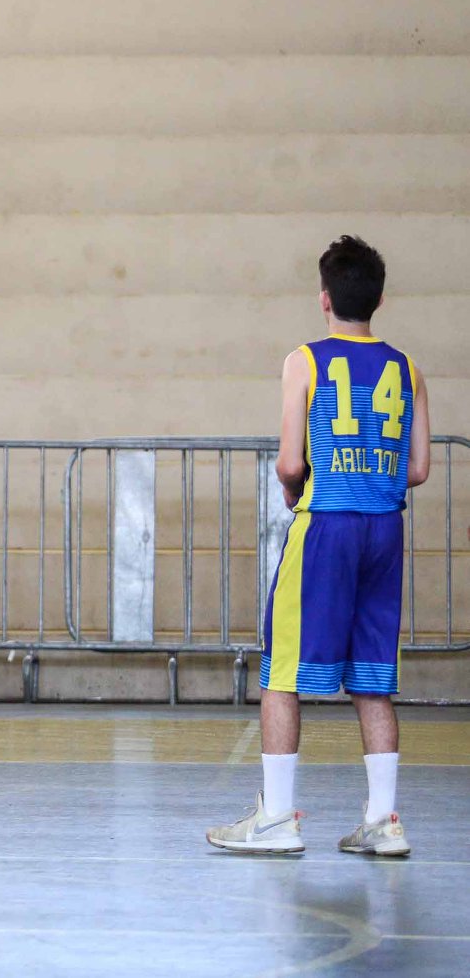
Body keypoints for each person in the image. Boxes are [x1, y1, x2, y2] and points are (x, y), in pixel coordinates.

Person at [208, 235, 429, 857]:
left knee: (282, 671)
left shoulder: (304, 360)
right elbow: (418, 468)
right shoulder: (407, 367)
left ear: (324, 299)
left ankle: (277, 818)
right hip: (385, 527)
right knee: (373, 678)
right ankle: (383, 822)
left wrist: (294, 487)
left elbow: (288, 461)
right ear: (379, 298)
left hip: (327, 522)